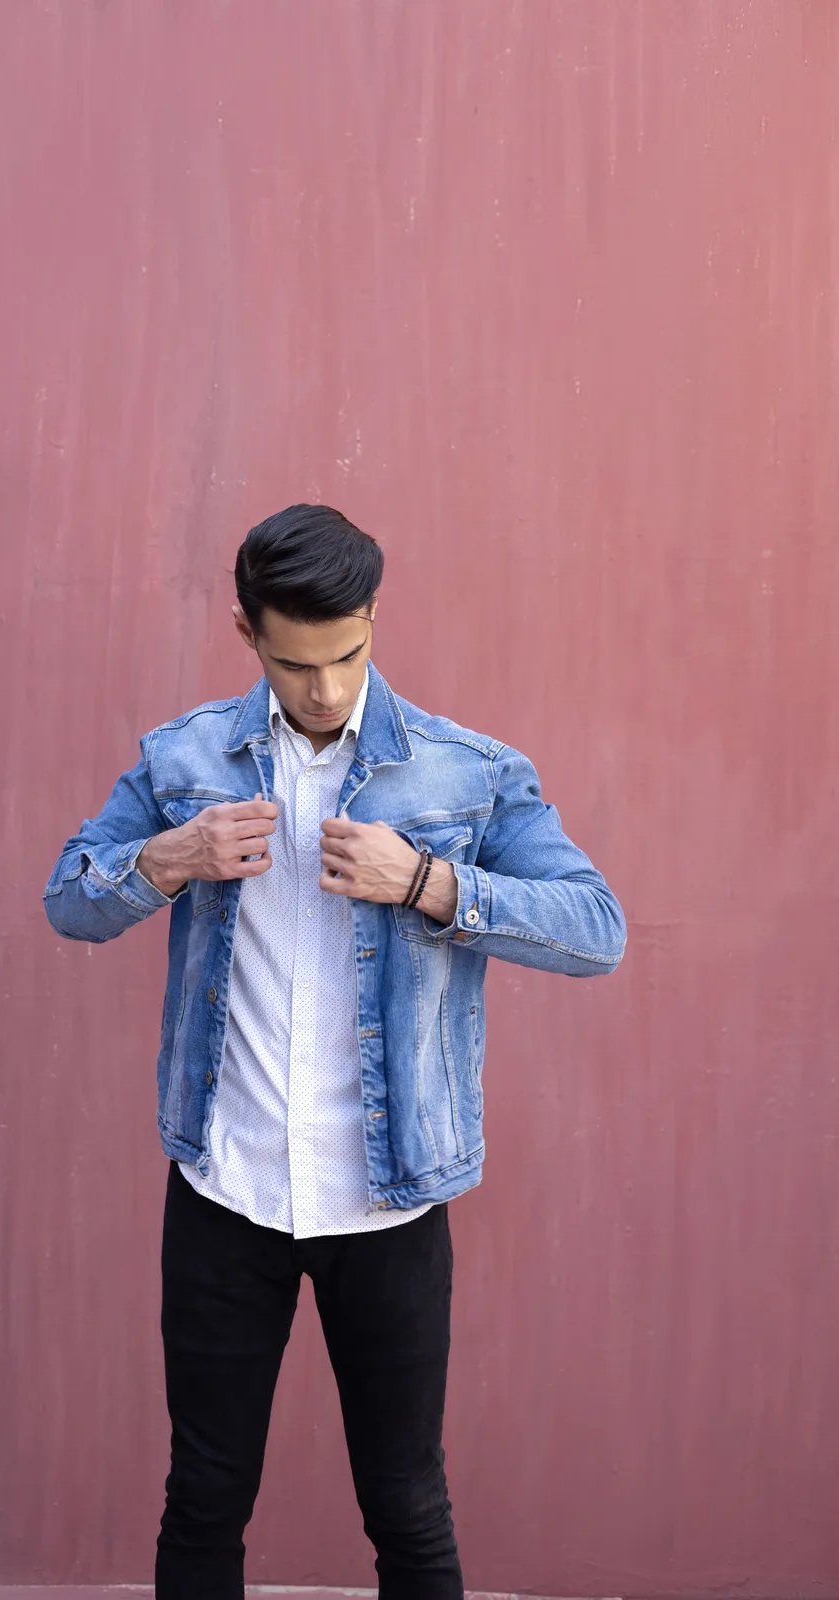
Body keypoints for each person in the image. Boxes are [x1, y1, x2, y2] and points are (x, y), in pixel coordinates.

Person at [43, 503, 626, 1599]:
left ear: (372, 617)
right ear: (245, 631)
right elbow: (69, 902)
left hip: (390, 1203)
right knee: (204, 1492)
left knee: (406, 1501)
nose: (324, 689)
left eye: (347, 653)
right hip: (227, 1191)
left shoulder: (466, 772)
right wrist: (168, 856)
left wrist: (429, 882)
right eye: (295, 661)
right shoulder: (183, 759)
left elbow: (596, 927)